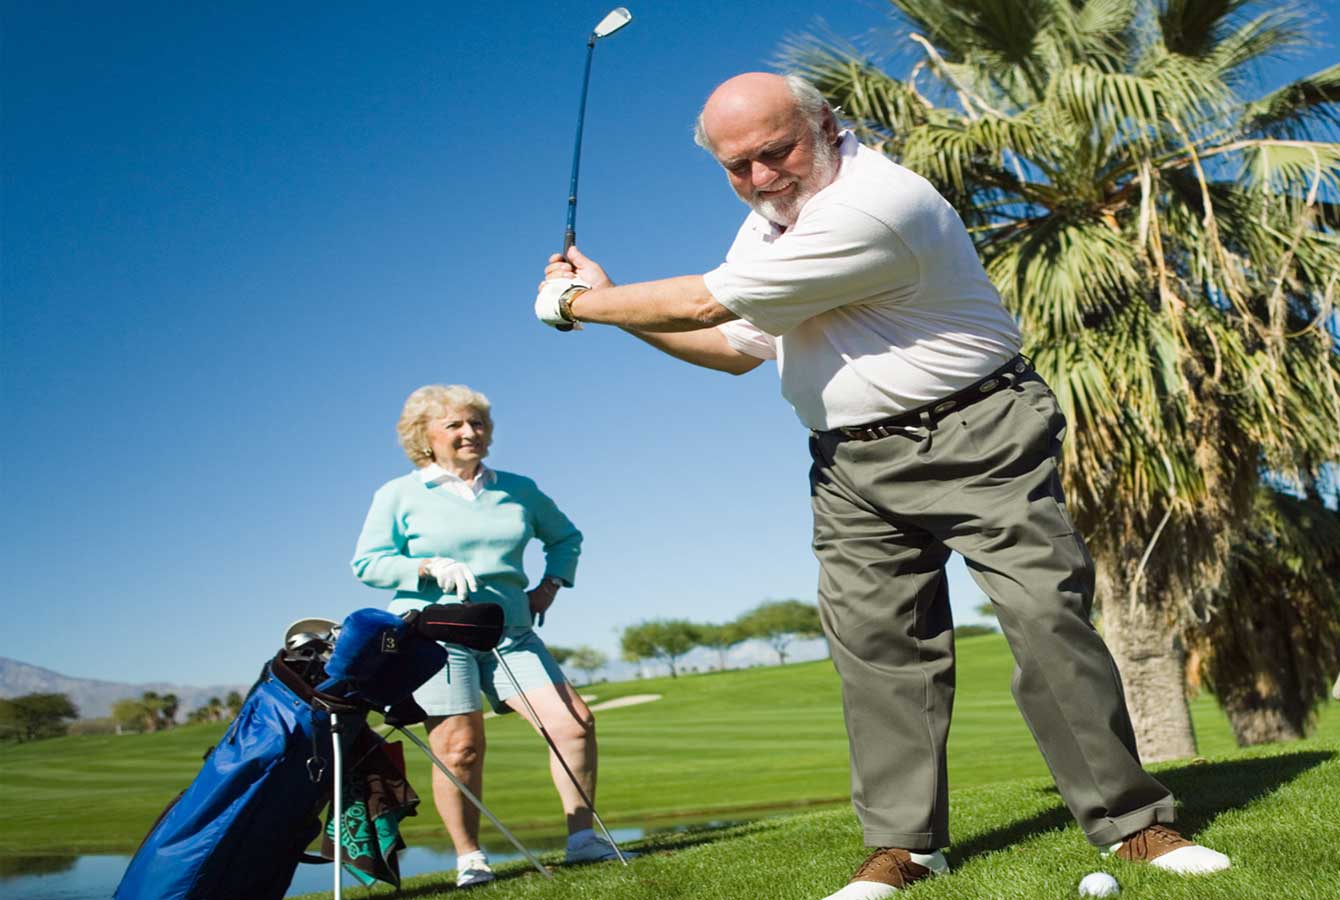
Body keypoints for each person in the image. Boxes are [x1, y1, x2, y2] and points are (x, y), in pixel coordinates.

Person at [532, 72, 1229, 899]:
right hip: (849, 463)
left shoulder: (875, 204)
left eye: (774, 152)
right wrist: (613, 310)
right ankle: (905, 848)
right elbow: (731, 347)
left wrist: (581, 303)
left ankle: (1133, 825)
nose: (760, 179)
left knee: (1045, 619)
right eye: (737, 167)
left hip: (980, 432)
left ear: (826, 124)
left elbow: (705, 305)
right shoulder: (767, 229)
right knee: (878, 653)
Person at [351, 384, 612, 887]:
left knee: (573, 725)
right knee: (460, 748)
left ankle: (583, 840)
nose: (471, 432)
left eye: (478, 423)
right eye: (455, 425)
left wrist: (550, 585)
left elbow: (565, 537)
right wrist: (426, 566)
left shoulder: (517, 488)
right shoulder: (398, 494)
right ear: (425, 436)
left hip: (511, 630)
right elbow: (368, 563)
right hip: (435, 634)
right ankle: (470, 857)